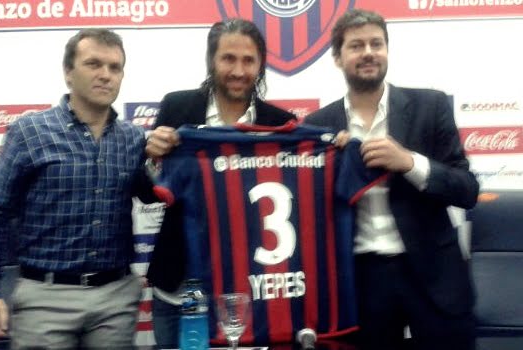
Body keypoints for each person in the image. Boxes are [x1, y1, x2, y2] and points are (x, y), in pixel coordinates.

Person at [0, 28, 156, 349]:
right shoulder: (30, 131)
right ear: (68, 73)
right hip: (44, 296)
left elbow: (153, 194)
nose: (105, 75)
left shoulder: (134, 138)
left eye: (115, 67)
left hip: (115, 298)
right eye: (93, 64)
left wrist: (164, 158)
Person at [304, 9, 479, 350]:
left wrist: (410, 162)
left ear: (387, 50)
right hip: (362, 279)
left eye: (376, 43)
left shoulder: (431, 105)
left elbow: (467, 190)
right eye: (356, 46)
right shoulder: (318, 126)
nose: (368, 52)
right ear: (338, 58)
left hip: (435, 276)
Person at [144, 18, 296, 348]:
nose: (238, 71)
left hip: (254, 287)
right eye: (228, 58)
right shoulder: (178, 107)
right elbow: (145, 192)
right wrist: (154, 159)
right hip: (180, 286)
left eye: (248, 60)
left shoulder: (281, 123)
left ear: (261, 65)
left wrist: (338, 149)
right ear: (212, 60)